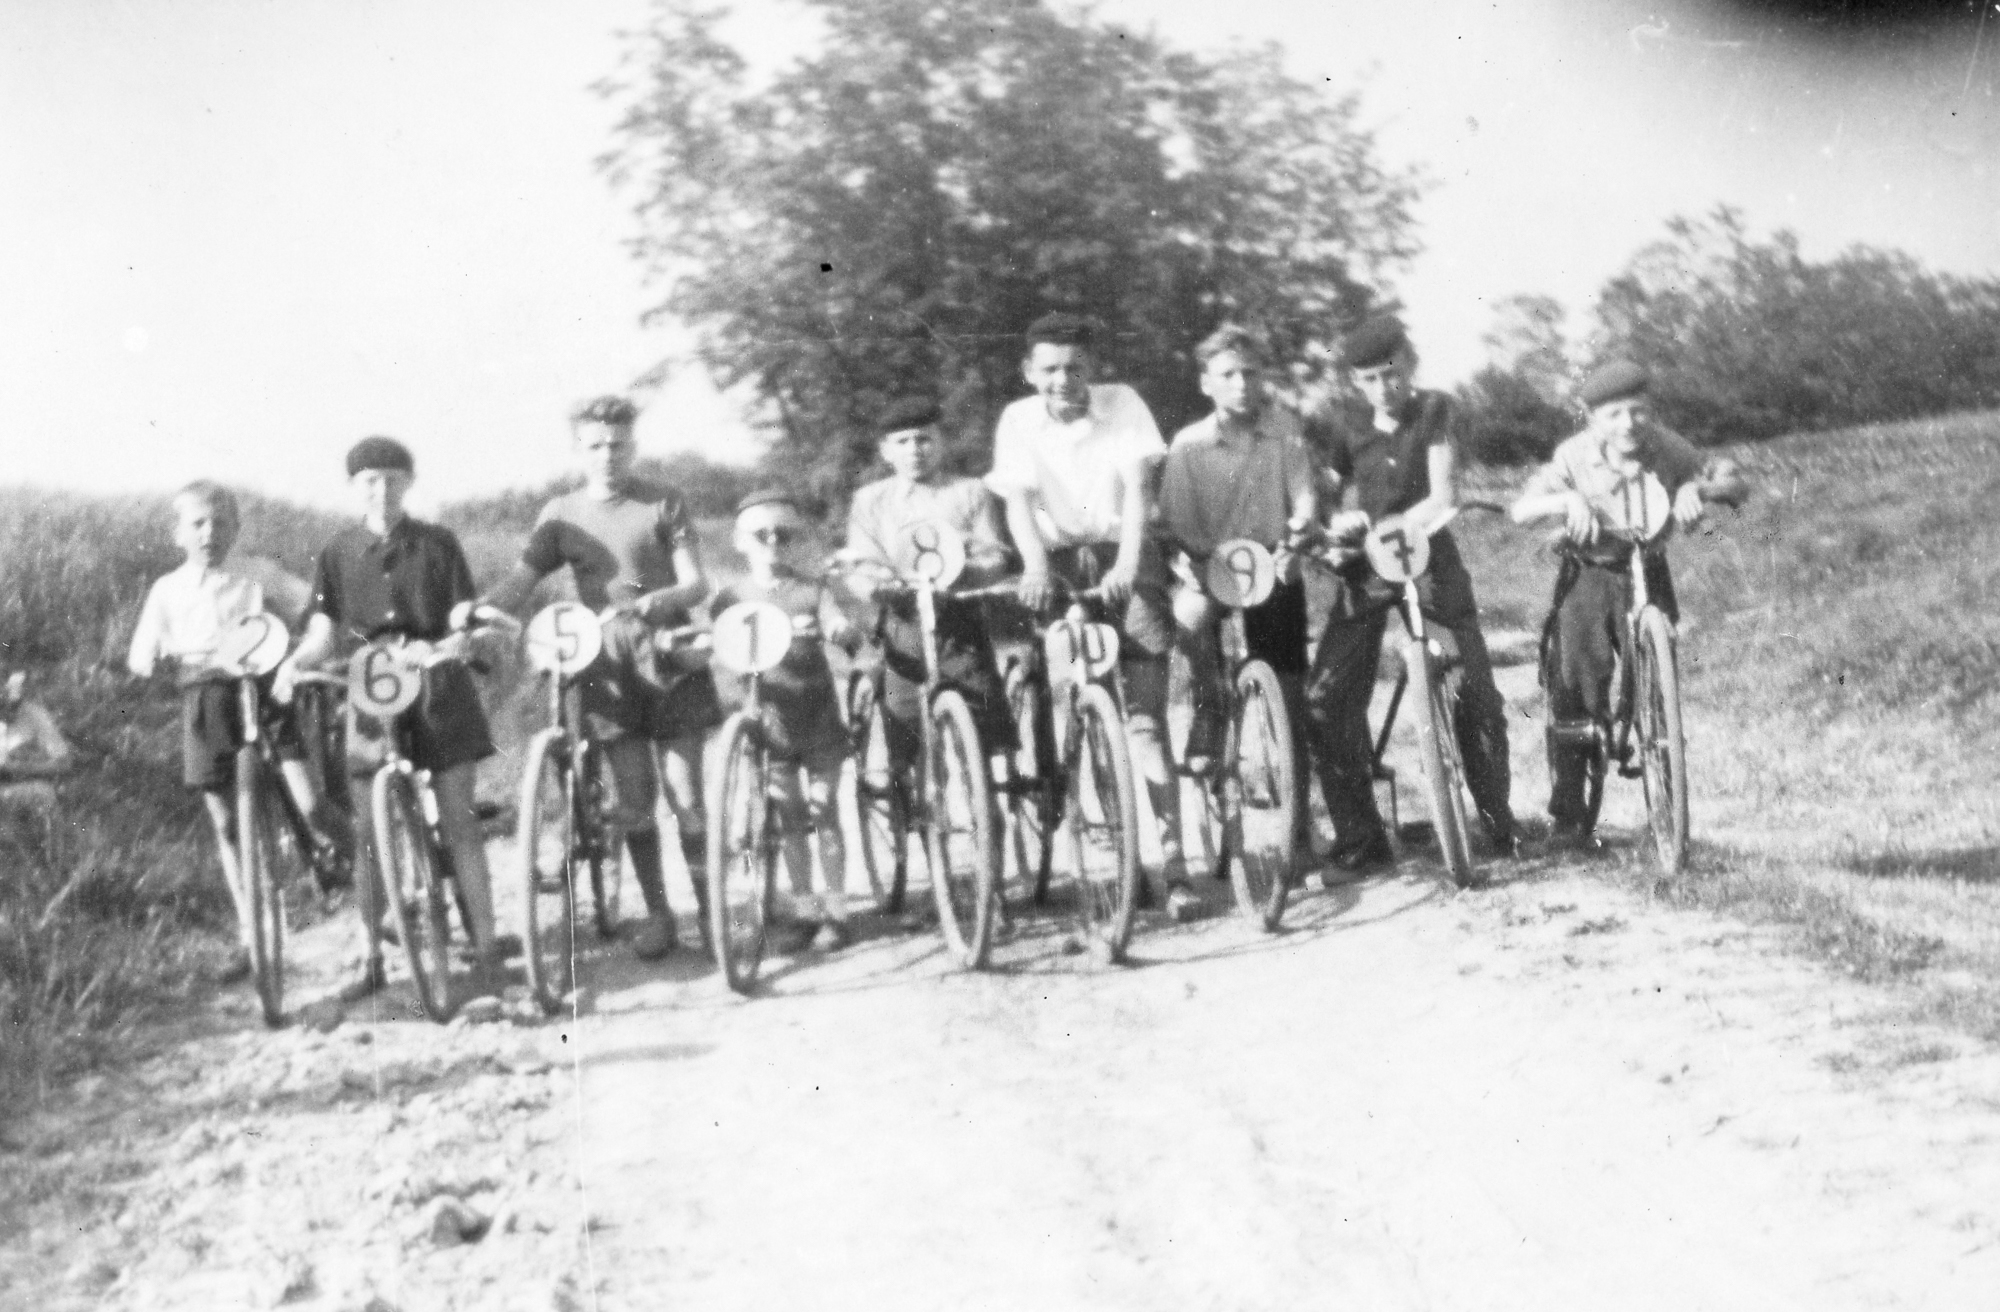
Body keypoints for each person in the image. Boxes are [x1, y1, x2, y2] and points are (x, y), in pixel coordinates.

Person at [475, 395, 722, 958]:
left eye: (618, 444)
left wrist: (659, 601)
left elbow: (696, 583)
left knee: (686, 796)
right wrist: (481, 609)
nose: (608, 455)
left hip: (666, 651)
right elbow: (521, 580)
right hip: (604, 663)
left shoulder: (664, 500)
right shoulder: (560, 513)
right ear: (577, 449)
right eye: (595, 445)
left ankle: (710, 914)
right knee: (633, 799)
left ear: (632, 446)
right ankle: (659, 915)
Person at [274, 437, 505, 996]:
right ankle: (370, 955)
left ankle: (488, 950)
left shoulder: (438, 543)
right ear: (353, 487)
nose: (381, 490)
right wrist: (296, 663)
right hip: (371, 688)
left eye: (392, 479)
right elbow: (323, 631)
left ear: (409, 482)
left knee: (459, 819)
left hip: (437, 682)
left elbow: (460, 610)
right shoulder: (337, 552)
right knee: (371, 830)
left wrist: (453, 638)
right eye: (369, 480)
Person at [986, 312, 1194, 918]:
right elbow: (1019, 503)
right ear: (1029, 372)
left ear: (1093, 369)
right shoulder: (1017, 420)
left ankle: (1174, 869)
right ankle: (1083, 817)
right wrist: (1033, 567)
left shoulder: (1123, 404)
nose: (1063, 380)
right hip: (1055, 559)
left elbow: (1138, 490)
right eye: (1049, 369)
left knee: (1147, 722)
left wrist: (1128, 562)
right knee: (1066, 687)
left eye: (1075, 368)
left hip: (1122, 550)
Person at [1305, 314, 1517, 872]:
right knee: (1328, 697)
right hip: (1368, 565)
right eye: (1370, 379)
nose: (1383, 387)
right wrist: (1337, 521)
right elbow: (1329, 494)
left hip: (1427, 554)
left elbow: (1442, 493)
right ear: (1355, 383)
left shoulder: (1435, 411)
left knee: (1474, 687)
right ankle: (1360, 835)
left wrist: (1391, 529)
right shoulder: (1346, 423)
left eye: (1392, 373)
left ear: (1410, 365)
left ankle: (1496, 818)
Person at [1509, 359, 1747, 845]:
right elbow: (1521, 509)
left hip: (1648, 570)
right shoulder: (1573, 455)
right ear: (1592, 418)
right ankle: (1569, 817)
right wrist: (1567, 502)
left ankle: (1666, 805)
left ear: (1650, 410)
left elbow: (1734, 481)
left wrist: (1697, 488)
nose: (1628, 424)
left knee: (1655, 687)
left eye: (1638, 411)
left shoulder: (1668, 447)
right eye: (1613, 414)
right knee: (1576, 687)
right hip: (1590, 574)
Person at [127, 482, 344, 978]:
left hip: (264, 687)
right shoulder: (167, 589)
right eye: (198, 524)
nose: (210, 533)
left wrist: (310, 639)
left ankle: (372, 876)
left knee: (312, 804)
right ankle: (253, 934)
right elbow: (142, 652)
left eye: (221, 523)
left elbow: (312, 605)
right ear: (178, 533)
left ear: (236, 529)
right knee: (226, 821)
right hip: (206, 696)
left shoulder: (257, 573)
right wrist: (154, 659)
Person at [1158, 325, 1318, 869]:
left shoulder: (1285, 434)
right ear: (1207, 383)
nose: (1242, 383)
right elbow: (1177, 521)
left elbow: (1304, 500)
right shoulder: (1188, 445)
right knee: (1189, 621)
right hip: (1210, 565)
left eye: (1250, 372)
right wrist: (1202, 562)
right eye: (1228, 374)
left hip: (1270, 564)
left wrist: (1296, 539)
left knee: (1290, 701)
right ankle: (1208, 714)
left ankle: (1300, 836)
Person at [710, 489, 859, 951]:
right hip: (768, 721)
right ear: (741, 541)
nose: (773, 542)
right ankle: (805, 910)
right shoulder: (730, 596)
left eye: (784, 534)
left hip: (816, 717)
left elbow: (835, 620)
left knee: (825, 810)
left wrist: (836, 628)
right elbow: (717, 646)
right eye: (761, 534)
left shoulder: (812, 589)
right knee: (791, 818)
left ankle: (837, 910)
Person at [842, 396, 1017, 775]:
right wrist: (876, 587)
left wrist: (964, 572)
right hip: (903, 622)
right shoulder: (870, 500)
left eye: (924, 439)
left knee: (983, 725)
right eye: (902, 442)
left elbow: (995, 555)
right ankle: (907, 792)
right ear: (886, 451)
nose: (914, 450)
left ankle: (984, 795)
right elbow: (860, 565)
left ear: (941, 442)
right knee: (903, 728)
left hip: (958, 620)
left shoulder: (971, 491)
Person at [0, 669, 75, 818]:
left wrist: (23, 769)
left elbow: (64, 763)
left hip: (22, 786)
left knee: (43, 794)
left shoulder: (35, 716)